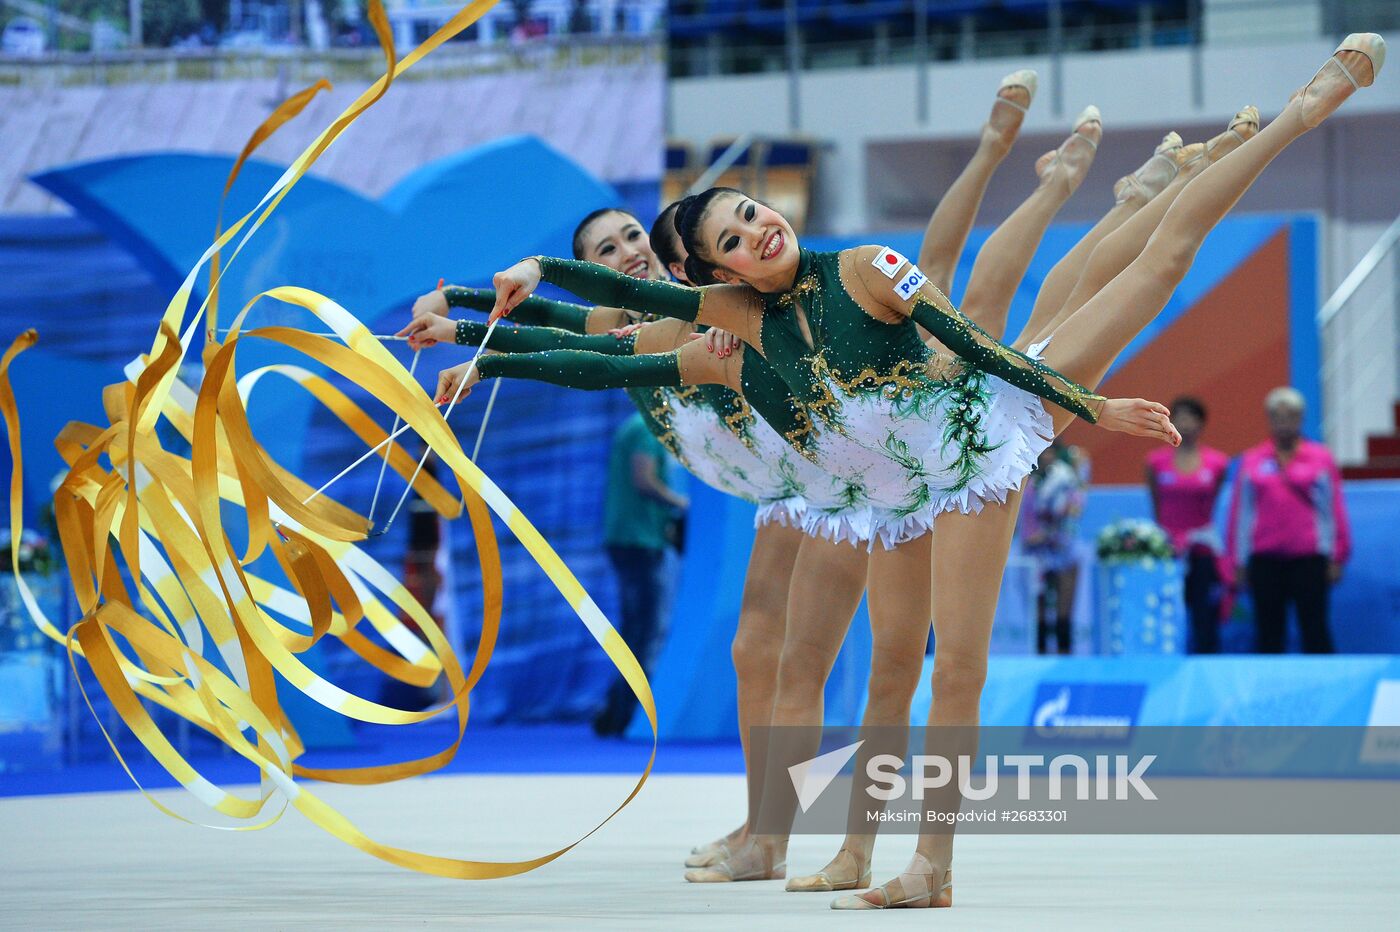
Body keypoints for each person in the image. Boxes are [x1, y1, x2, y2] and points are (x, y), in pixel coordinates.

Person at [1227, 386, 1352, 654]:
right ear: (1269, 419)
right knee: (1268, 634)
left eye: (1290, 416)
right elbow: (1241, 513)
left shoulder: (1320, 458)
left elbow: (1334, 509)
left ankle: (1325, 688)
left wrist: (1337, 556)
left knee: (1315, 630)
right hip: (1265, 562)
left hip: (1309, 561)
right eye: (1277, 416)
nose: (1283, 422)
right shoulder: (1252, 460)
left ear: (1301, 418)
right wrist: (1237, 562)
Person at [594, 410, 688, 736]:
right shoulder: (647, 428)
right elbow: (644, 480)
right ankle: (624, 715)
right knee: (644, 632)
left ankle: (615, 712)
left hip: (631, 537)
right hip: (639, 540)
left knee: (637, 630)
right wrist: (683, 504)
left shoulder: (633, 426)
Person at [1146, 396, 1231, 653]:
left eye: (1191, 417)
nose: (1185, 423)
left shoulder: (1218, 463)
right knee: (1166, 612)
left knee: (1205, 614)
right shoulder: (1155, 462)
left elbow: (1212, 503)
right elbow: (1157, 504)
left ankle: (1208, 664)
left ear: (1201, 423)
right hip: (1167, 552)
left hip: (1202, 551)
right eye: (1179, 417)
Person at [1020, 441, 1088, 655]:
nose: (1048, 457)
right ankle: (1039, 653)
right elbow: (1025, 519)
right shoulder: (1029, 484)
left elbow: (1075, 511)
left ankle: (1065, 654)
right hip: (1037, 552)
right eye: (1044, 452)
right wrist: (1034, 537)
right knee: (1037, 603)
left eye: (1052, 452)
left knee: (1064, 604)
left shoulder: (1068, 481)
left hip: (1064, 549)